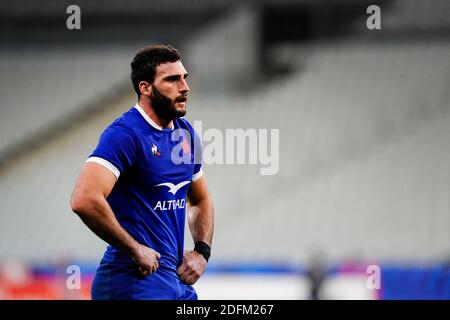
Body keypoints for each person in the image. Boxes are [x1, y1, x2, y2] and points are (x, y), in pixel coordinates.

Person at [70, 44, 214, 300]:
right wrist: (135, 248)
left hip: (174, 281)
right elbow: (84, 199)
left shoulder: (186, 134)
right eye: (172, 79)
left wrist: (201, 251)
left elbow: (200, 199)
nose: (184, 87)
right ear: (145, 88)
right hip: (133, 281)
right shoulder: (125, 134)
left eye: (184, 78)